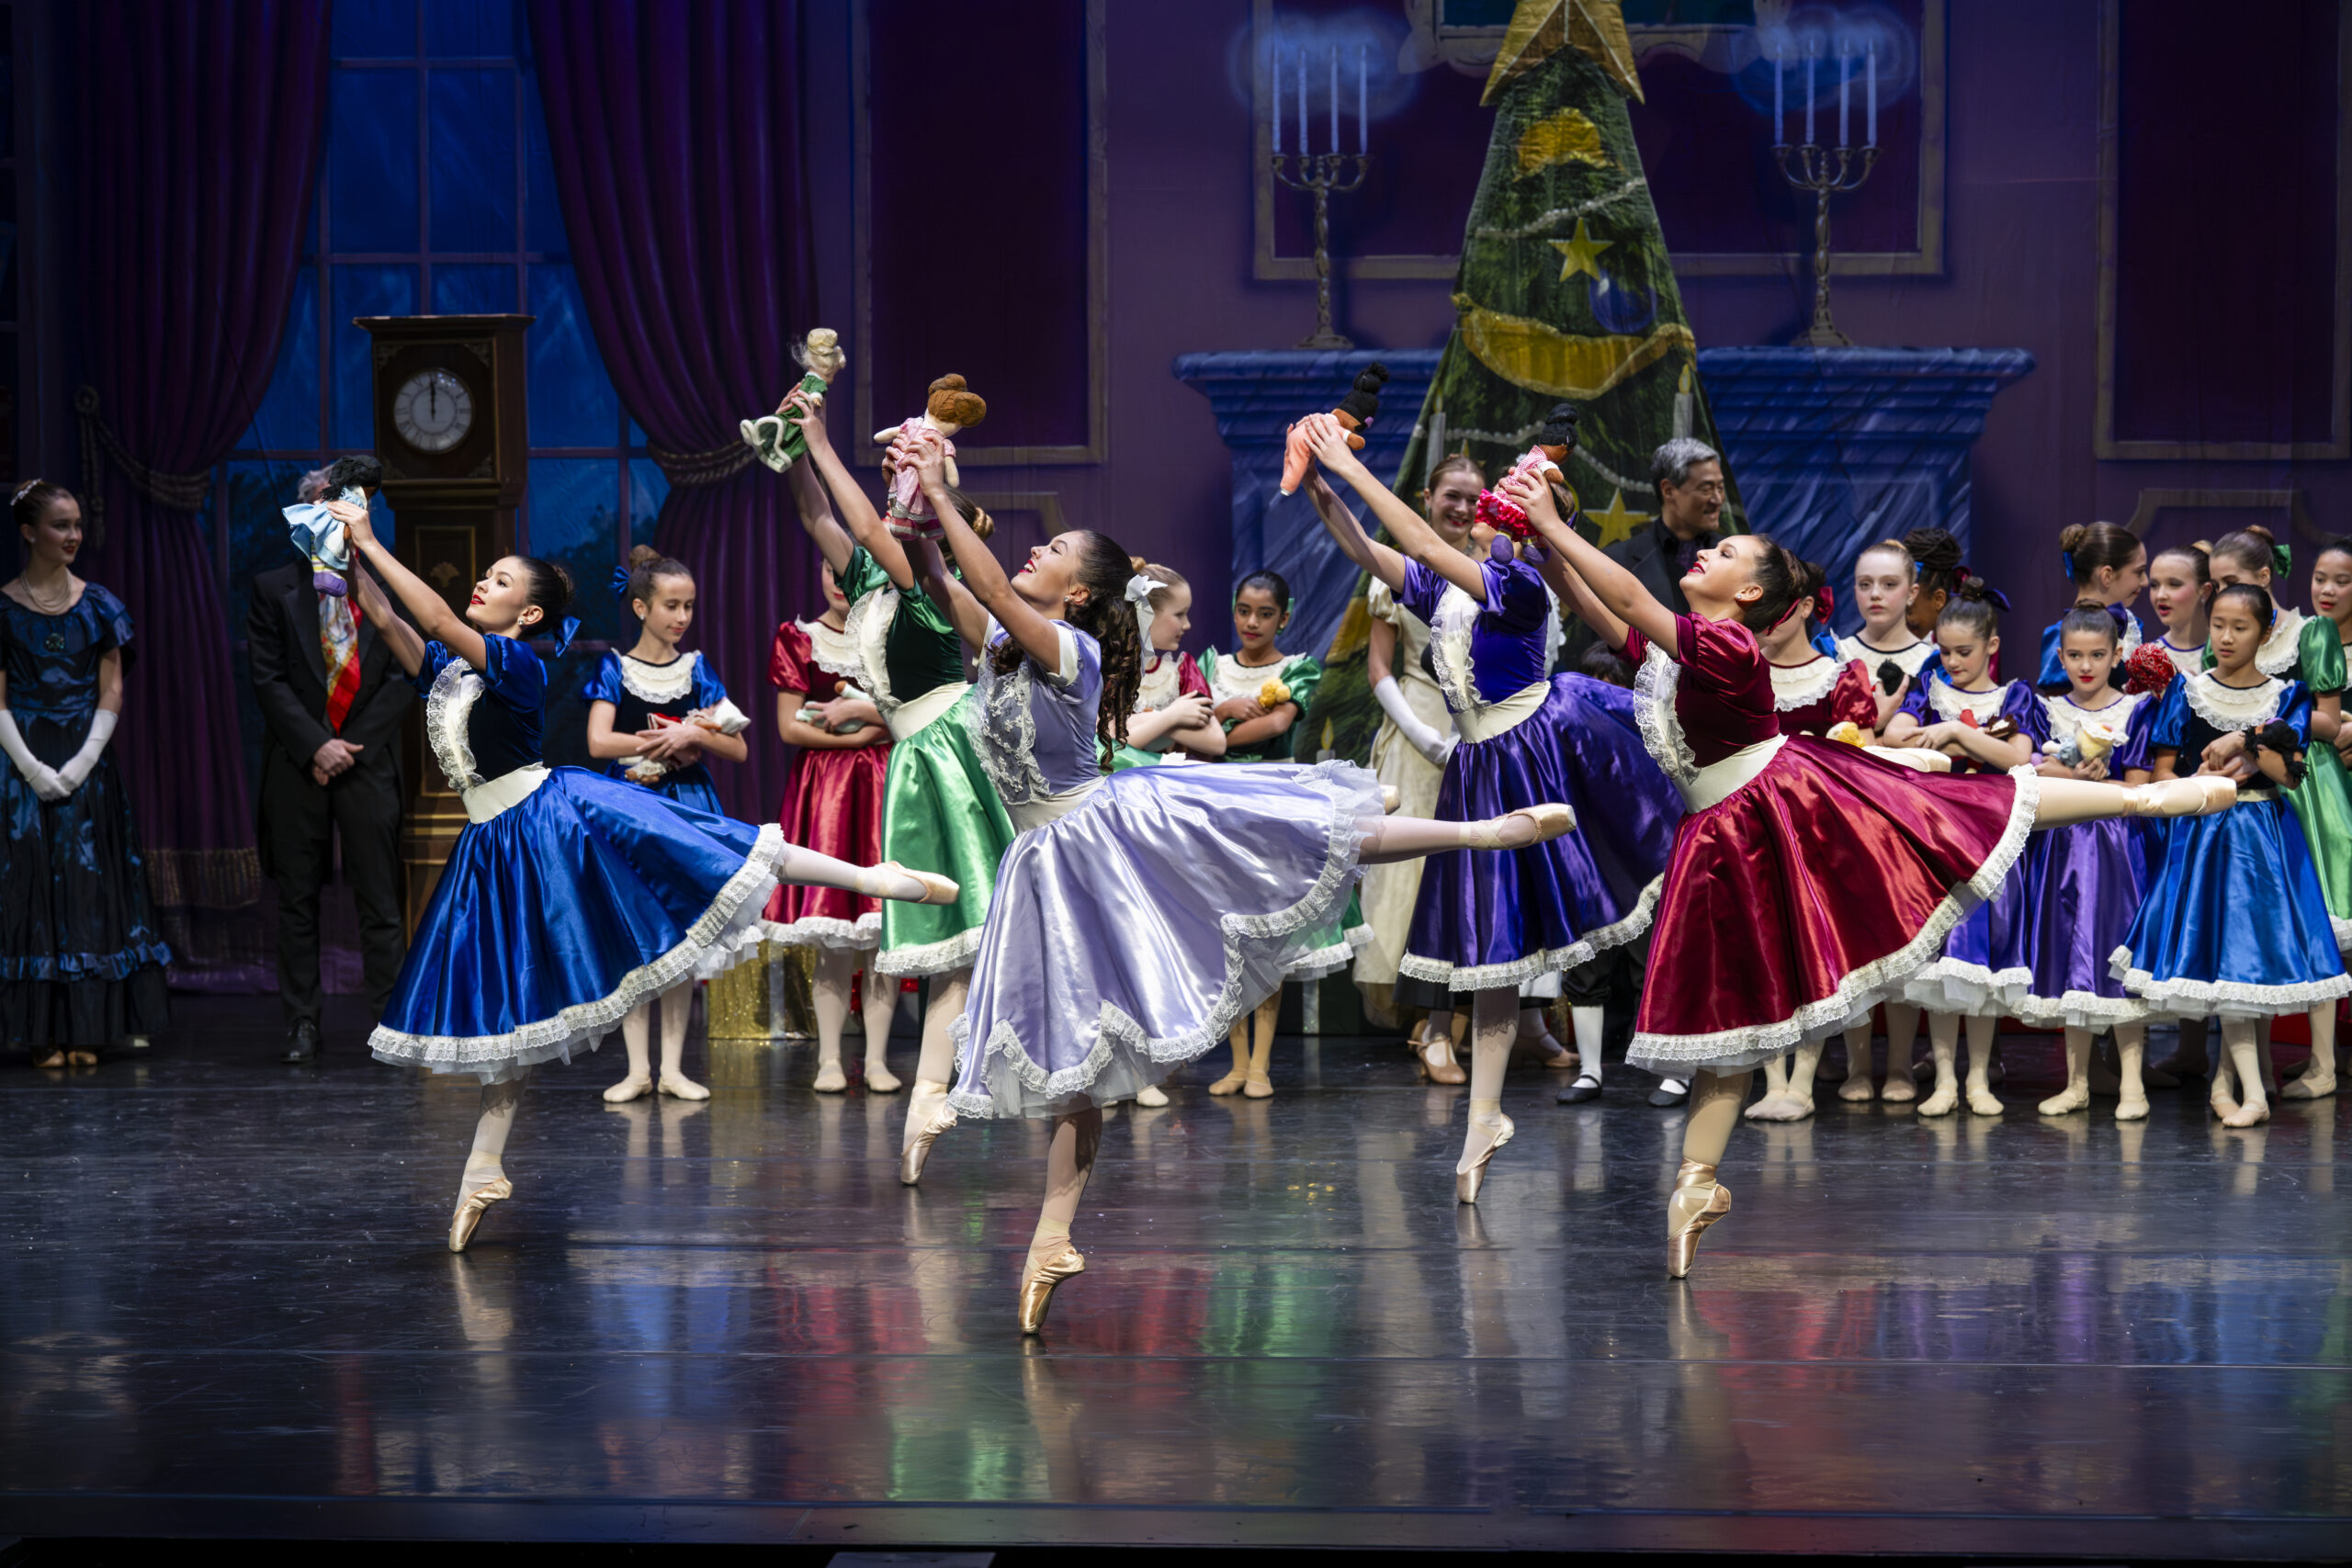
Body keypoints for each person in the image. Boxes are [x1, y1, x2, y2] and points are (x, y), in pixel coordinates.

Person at [900, 431, 1577, 1333]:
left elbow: (982, 581)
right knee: (1080, 1064)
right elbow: (941, 584)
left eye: (1052, 549)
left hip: (1100, 835)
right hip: (1043, 866)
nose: (1034, 549)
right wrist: (915, 511)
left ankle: (1479, 829)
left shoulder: (1070, 648)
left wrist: (945, 498)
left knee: (1302, 831)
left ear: (1079, 594)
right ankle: (1051, 1240)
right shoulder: (1000, 647)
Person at [1502, 466, 2231, 1278]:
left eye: (1727, 550)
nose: (1707, 550)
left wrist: (1550, 523)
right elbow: (1602, 607)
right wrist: (1543, 535)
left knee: (1972, 807)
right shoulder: (1682, 650)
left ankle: (2151, 799)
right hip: (1725, 838)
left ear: (1749, 595)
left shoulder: (1731, 647)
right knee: (1731, 1030)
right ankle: (1697, 1184)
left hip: (1784, 806)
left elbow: (1633, 603)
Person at [330, 497, 954, 1251]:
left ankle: (876, 876)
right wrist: (344, 560)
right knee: (513, 1015)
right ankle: (482, 1169)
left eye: (498, 581)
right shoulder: (458, 666)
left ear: (527, 616)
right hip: (493, 845)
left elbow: (428, 617)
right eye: (486, 578)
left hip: (552, 820)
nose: (480, 585)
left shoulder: (517, 664)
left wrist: (371, 538)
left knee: (717, 850)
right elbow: (396, 625)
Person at [1305, 414, 1680, 1197]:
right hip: (1480, 764)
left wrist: (1349, 465)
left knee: (1529, 931)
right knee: (1490, 954)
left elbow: (1422, 541)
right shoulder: (1450, 588)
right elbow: (1371, 551)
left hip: (1529, 753)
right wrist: (1316, 486)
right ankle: (1484, 1117)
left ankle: (1671, 1049)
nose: (1481, 509)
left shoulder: (1517, 584)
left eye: (1498, 504)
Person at [783, 390, 1015, 1183]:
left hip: (956, 746)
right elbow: (820, 517)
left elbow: (871, 526)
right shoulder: (876, 586)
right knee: (953, 946)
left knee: (981, 934)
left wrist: (820, 438)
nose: (888, 498)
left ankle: (954, 1084)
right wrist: (790, 453)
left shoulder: (918, 573)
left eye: (899, 487)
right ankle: (928, 1097)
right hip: (918, 758)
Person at [2111, 582, 2351, 1128]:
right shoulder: (2187, 691)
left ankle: (2242, 1086)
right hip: (2202, 837)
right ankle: (2234, 1083)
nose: (2225, 637)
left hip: (2262, 842)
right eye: (2218, 624)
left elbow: (2289, 773)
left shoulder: (2285, 695)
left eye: (2240, 628)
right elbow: (2163, 773)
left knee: (2248, 959)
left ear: (2265, 633)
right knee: (2214, 956)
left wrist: (2247, 741)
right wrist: (2199, 779)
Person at [0, 479, 169, 1066]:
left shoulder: (99, 604)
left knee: (89, 888)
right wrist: (32, 769)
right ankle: (42, 1032)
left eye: (76, 525)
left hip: (85, 761)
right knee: (30, 887)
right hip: (22, 762)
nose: (73, 535)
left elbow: (113, 688)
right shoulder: (2, 608)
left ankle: (90, 1029)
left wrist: (77, 765)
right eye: (59, 525)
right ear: (29, 532)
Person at [248, 457, 411, 1063]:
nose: (340, 508)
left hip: (366, 761)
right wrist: (317, 745)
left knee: (379, 898)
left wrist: (347, 748)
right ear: (306, 508)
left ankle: (390, 1024)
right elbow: (266, 679)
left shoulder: (384, 584)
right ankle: (302, 1024)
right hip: (298, 765)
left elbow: (403, 679)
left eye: (352, 499)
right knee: (297, 901)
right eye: (327, 497)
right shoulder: (274, 588)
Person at [581, 546, 752, 1103]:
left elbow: (740, 745)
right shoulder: (615, 668)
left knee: (681, 939)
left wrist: (696, 736)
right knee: (638, 936)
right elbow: (599, 741)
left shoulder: (697, 668)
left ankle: (674, 1068)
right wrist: (661, 740)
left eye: (689, 607)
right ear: (640, 608)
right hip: (631, 806)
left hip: (686, 806)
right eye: (671, 606)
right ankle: (636, 1069)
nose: (681, 617)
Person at [2199, 527, 2352, 1103]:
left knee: (2318, 919)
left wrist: (2257, 729)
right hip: (2243, 790)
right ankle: (2241, 1064)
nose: (2223, 597)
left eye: (2234, 584)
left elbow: (2329, 722)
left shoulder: (2311, 634)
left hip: (2305, 786)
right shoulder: (2226, 637)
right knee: (2253, 921)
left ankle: (2322, 1061)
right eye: (2216, 587)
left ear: (2264, 581)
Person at [1882, 581, 2040, 1117]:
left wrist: (1956, 734)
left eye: (1963, 652)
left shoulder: (2015, 697)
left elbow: (2017, 759)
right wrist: (1935, 730)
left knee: (1980, 965)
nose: (1952, 662)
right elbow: (1894, 738)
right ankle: (1945, 1079)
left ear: (1992, 646)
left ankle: (1978, 1078)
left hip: (1992, 842)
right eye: (1944, 651)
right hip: (1938, 842)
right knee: (1941, 968)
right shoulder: (1930, 688)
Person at [763, 504, 899, 1096]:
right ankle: (826, 1058)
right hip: (826, 791)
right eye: (833, 573)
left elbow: (915, 714)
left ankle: (877, 1059)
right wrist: (862, 733)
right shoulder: (798, 636)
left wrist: (874, 729)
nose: (841, 585)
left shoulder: (892, 636)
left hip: (885, 786)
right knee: (834, 935)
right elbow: (790, 728)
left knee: (880, 934)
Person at [2009, 604, 2164, 1120]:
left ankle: (2132, 1085)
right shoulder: (2044, 707)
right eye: (2075, 655)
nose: (2086, 665)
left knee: (2118, 956)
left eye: (2098, 655)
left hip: (2117, 848)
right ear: (2060, 655)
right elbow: (2028, 772)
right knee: (2071, 955)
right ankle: (2076, 1082)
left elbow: (2143, 786)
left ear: (2117, 654)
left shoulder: (2136, 710)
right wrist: (2069, 777)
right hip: (2060, 847)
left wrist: (2099, 781)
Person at [1354, 455, 1477, 1080]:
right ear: (1428, 496)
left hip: (1478, 731)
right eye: (1450, 496)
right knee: (1414, 883)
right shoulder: (1397, 570)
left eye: (1471, 499)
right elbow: (1380, 666)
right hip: (1417, 727)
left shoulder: (1492, 567)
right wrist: (1424, 736)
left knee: (1471, 881)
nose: (1460, 509)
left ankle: (1448, 1026)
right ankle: (1430, 1026)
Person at [1558, 437, 1724, 668]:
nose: (1718, 499)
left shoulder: (1738, 564)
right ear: (1668, 490)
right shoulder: (1615, 562)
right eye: (1707, 488)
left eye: (1720, 487)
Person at [2035, 523, 2146, 693]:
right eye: (2139, 572)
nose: (2145, 581)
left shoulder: (2129, 627)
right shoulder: (2061, 636)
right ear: (2107, 576)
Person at [2146, 542, 2212, 680]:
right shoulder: (2149, 659)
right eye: (2154, 585)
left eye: (2174, 584)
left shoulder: (2226, 652)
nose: (2160, 595)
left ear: (2205, 591)